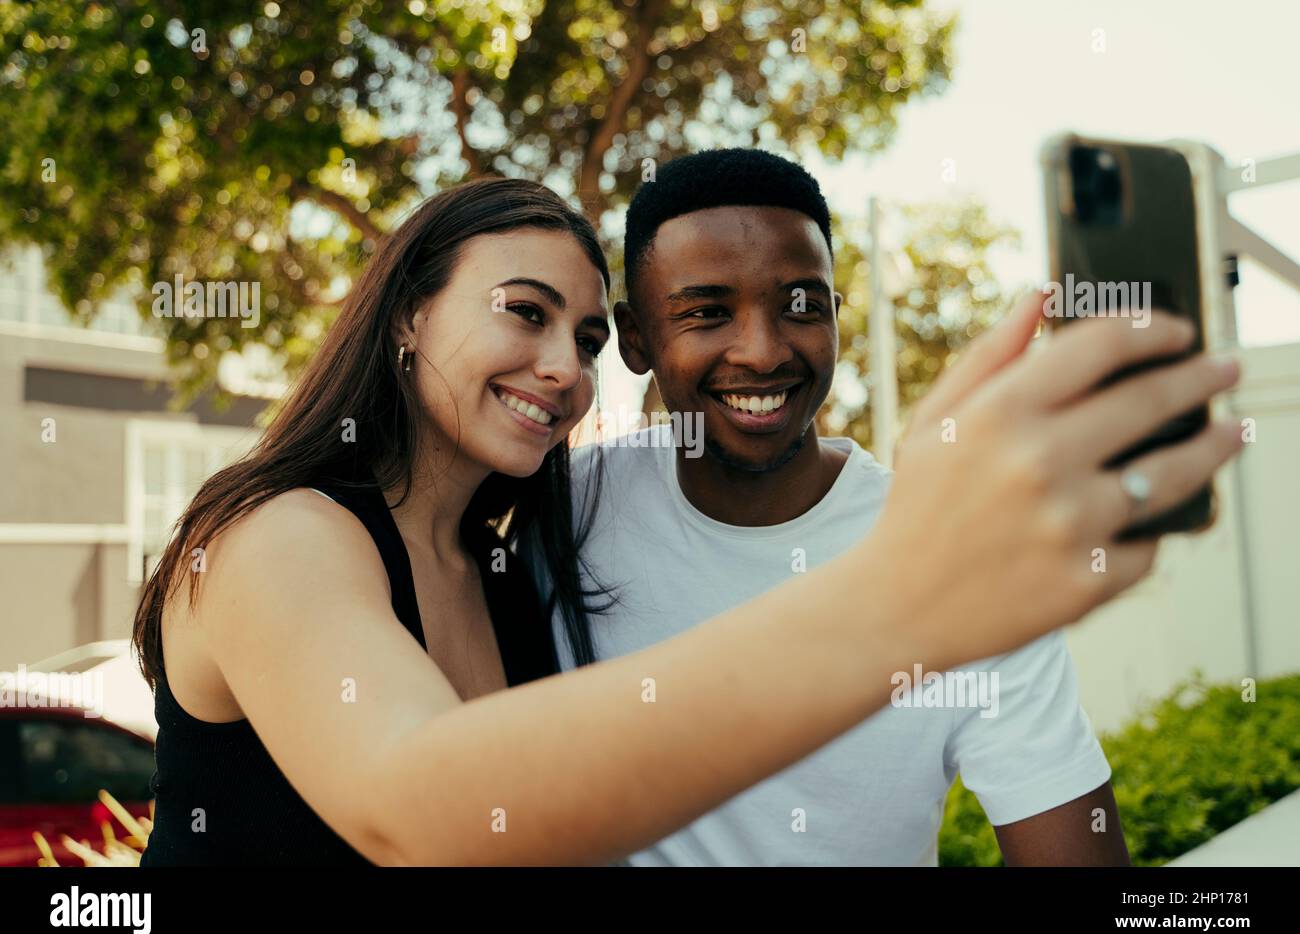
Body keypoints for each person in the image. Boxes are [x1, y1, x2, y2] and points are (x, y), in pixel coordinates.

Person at [135, 174, 1242, 865]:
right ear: (410, 314)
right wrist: (905, 598)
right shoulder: (279, 534)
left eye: (577, 334)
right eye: (523, 312)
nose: (557, 365)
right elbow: (421, 811)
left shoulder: (508, 545)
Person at [536, 147, 1213, 865]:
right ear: (636, 339)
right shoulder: (569, 508)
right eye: (706, 313)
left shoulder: (964, 558)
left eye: (801, 305)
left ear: (835, 314)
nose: (762, 353)